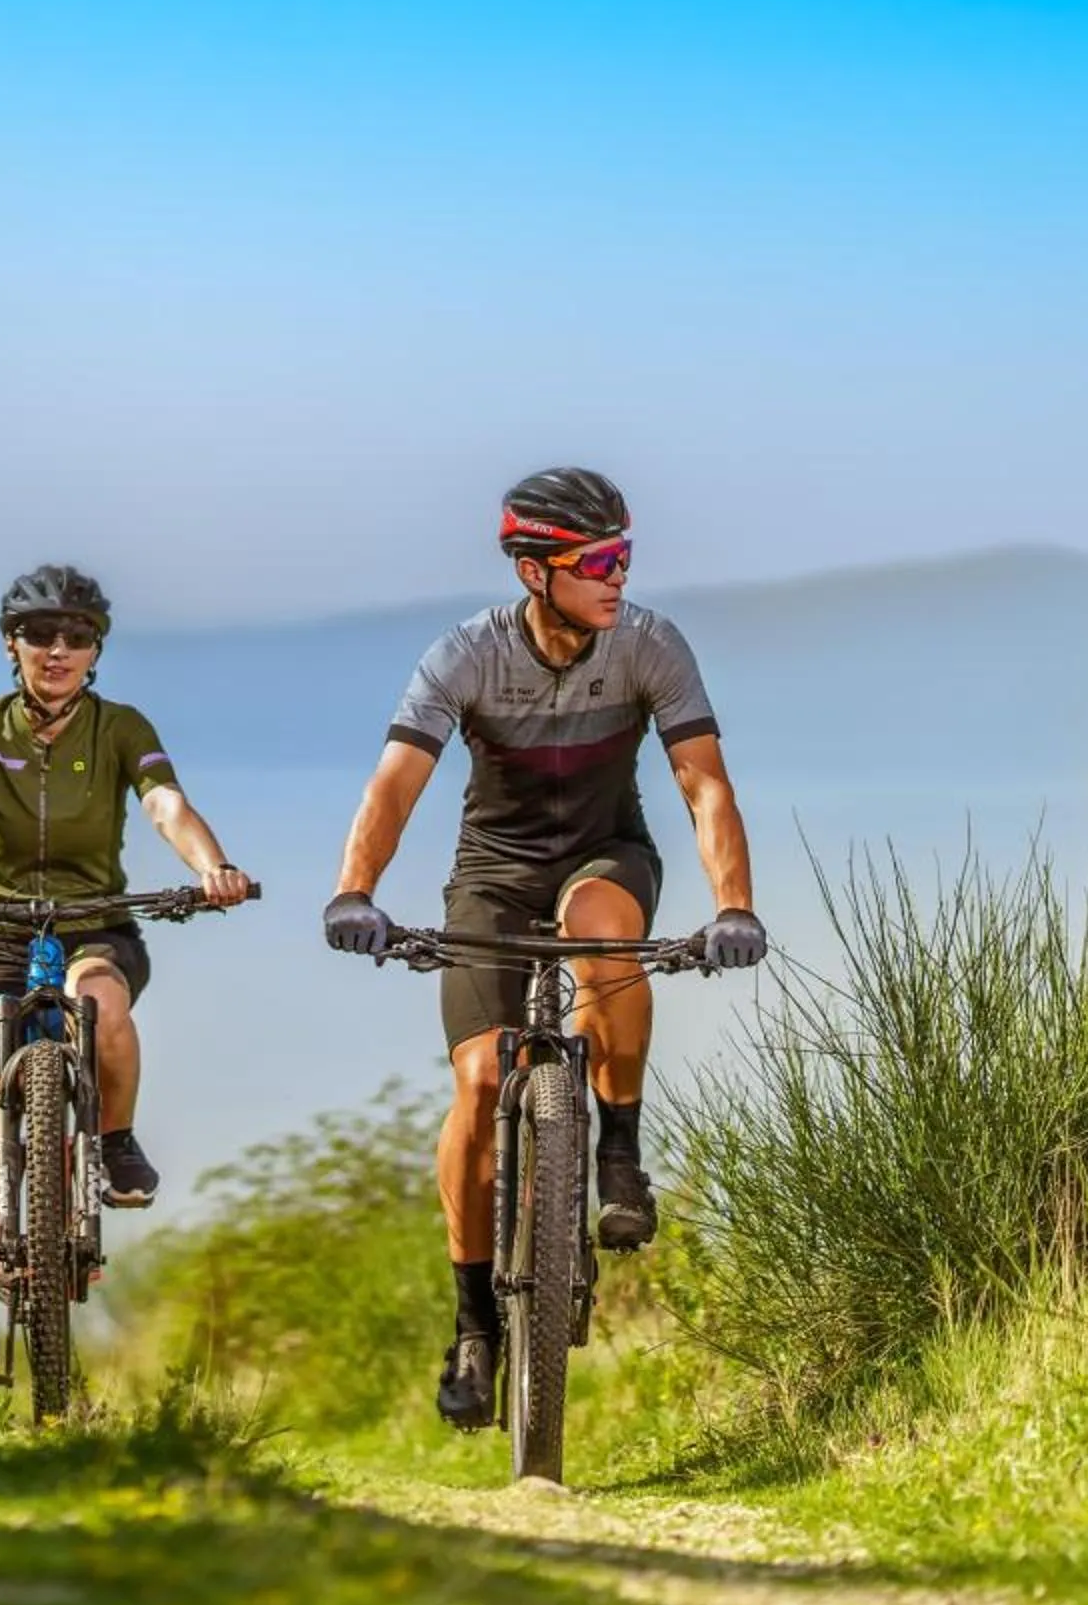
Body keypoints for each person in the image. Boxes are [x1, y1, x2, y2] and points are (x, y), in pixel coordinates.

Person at [318, 467, 767, 1430]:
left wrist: (734, 904)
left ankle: (618, 1155)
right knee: (479, 1083)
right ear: (535, 572)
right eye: (596, 561)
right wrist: (355, 890)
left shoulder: (650, 644)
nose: (618, 577)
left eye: (626, 557)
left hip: (607, 856)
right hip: (494, 873)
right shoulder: (464, 657)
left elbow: (705, 788)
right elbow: (393, 787)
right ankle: (475, 1321)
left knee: (605, 935)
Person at [0, 564, 251, 1388]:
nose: (57, 651)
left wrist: (213, 865)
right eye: (39, 635)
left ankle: (114, 1138)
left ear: (96, 649)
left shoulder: (122, 727)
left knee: (100, 1003)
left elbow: (166, 804)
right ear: (11, 646)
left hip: (97, 922)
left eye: (76, 637)